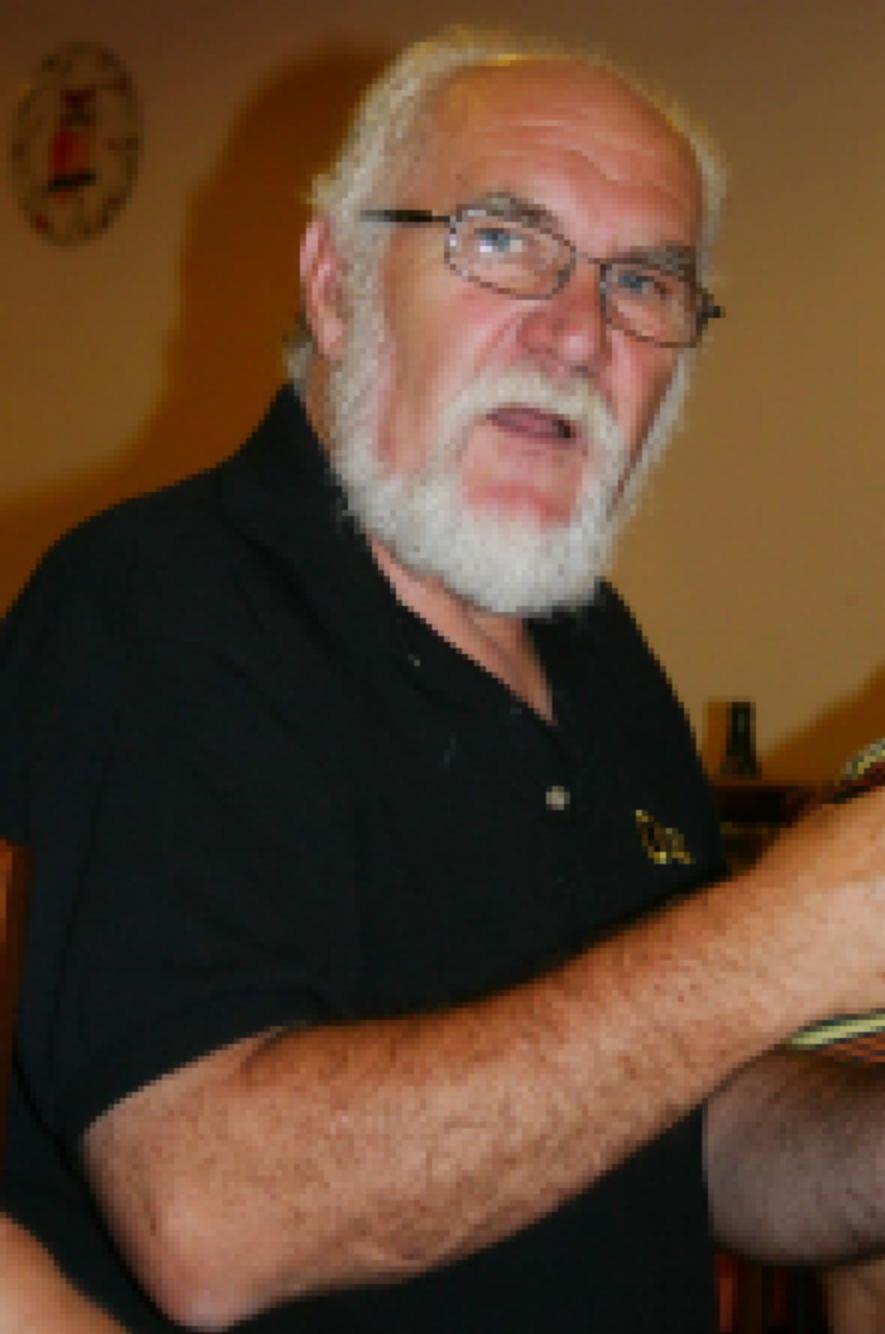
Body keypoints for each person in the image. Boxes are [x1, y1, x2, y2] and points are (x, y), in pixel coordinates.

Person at [2, 28, 885, 1333]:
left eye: (645, 281)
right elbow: (214, 1216)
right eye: (504, 240)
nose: (577, 333)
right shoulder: (154, 605)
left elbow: (669, 1124)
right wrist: (784, 940)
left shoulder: (601, 656)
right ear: (337, 285)